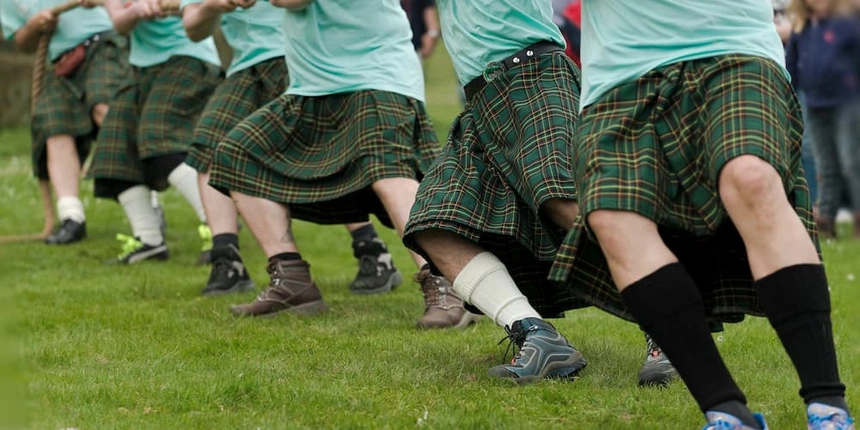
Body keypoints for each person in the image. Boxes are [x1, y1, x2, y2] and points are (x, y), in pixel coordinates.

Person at [548, 0, 854, 428]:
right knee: (612, 218)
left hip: (733, 44)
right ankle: (725, 410)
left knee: (751, 177)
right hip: (621, 69)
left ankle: (828, 407)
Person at [402, 0, 677, 386]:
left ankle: (669, 323)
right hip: (482, 99)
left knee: (565, 203)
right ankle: (538, 336)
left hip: (533, 74)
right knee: (434, 225)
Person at [208, 0, 476, 329]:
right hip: (313, 85)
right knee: (238, 154)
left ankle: (444, 283)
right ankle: (291, 278)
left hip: (375, 76)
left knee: (388, 173)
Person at [180, 0, 403, 296]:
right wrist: (214, 5)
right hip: (245, 66)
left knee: (325, 152)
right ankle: (227, 260)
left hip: (294, 54)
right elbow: (193, 26)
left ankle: (372, 250)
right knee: (211, 146)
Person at [89, 0, 223, 264]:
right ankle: (149, 241)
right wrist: (136, 10)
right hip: (143, 68)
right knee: (114, 149)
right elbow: (119, 22)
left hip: (189, 58)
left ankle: (219, 228)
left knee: (158, 137)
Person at [1, 0, 131, 245]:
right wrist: (33, 26)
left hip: (104, 45)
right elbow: (22, 42)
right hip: (63, 62)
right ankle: (72, 218)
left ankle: (148, 204)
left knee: (105, 109)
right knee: (53, 124)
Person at [785, 0, 860, 239]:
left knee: (852, 161)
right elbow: (792, 66)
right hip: (815, 103)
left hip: (847, 102)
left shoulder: (846, 25)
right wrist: (789, 95)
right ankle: (826, 219)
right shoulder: (802, 28)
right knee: (825, 164)